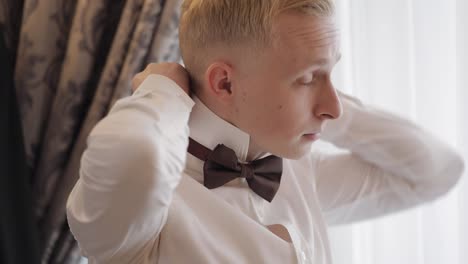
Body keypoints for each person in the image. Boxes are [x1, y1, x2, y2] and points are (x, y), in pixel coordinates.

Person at [66, 0, 465, 263]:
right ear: (224, 84)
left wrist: (317, 102)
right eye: (308, 78)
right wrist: (164, 90)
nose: (335, 106)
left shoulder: (297, 172)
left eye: (332, 73)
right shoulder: (134, 211)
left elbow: (438, 171)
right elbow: (139, 154)